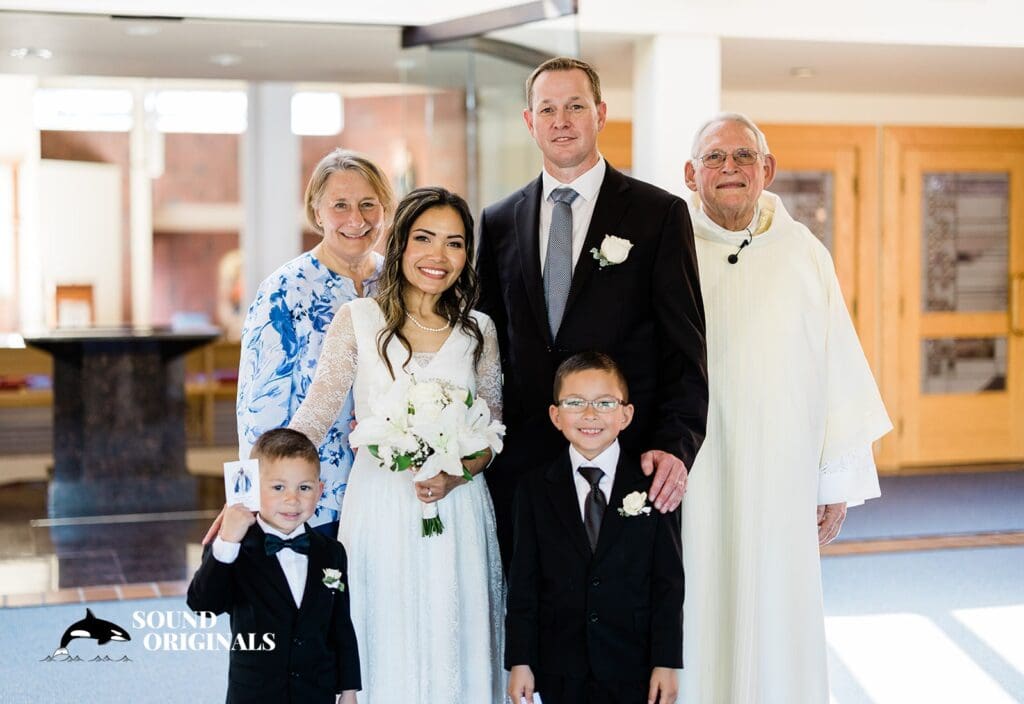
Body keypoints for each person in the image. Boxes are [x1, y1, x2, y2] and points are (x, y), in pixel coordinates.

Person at [680, 112, 892, 703]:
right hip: (695, 470)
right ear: (690, 173)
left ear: (767, 169)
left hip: (781, 474)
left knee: (777, 605)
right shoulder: (667, 249)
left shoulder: (805, 254)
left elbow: (838, 366)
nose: (730, 169)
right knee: (699, 598)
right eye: (715, 158)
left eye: (743, 156)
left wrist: (835, 479)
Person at [476, 57, 708, 565]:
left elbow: (684, 347)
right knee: (533, 623)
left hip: (631, 456)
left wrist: (676, 444)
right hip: (525, 466)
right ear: (529, 121)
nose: (561, 120)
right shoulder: (497, 222)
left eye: (575, 106)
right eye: (548, 109)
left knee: (626, 622)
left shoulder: (659, 215)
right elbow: (486, 346)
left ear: (600, 114)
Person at [288, 187, 505, 702]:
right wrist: (251, 489)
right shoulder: (360, 321)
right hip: (381, 505)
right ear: (401, 243)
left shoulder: (479, 330)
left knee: (458, 635)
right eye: (424, 238)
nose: (438, 256)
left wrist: (459, 473)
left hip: (458, 510)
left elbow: (494, 432)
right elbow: (313, 418)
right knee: (382, 632)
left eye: (454, 243)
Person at [506, 352, 683, 704]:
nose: (590, 415)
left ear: (625, 414)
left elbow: (668, 582)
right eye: (575, 402)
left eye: (604, 403)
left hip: (633, 663)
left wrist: (666, 661)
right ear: (556, 415)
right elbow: (523, 581)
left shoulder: (652, 485)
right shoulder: (534, 488)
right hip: (560, 664)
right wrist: (520, 661)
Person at [235, 149, 394, 535]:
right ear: (317, 211)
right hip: (312, 501)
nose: (356, 219)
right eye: (340, 205)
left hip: (391, 488)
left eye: (368, 204)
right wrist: (251, 502)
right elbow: (256, 414)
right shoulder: (283, 291)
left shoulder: (399, 283)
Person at [187, 428, 360, 704]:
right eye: (278, 487)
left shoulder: (331, 553)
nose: (292, 500)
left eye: (304, 488)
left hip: (316, 693)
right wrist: (228, 540)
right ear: (254, 489)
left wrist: (348, 690)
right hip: (256, 694)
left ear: (320, 491)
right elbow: (203, 604)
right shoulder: (235, 545)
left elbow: (341, 625)